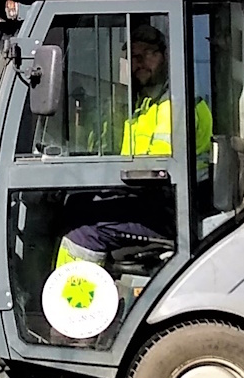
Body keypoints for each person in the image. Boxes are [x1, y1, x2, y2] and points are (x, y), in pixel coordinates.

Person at [55, 20, 211, 271]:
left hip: (175, 210)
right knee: (75, 205)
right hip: (152, 201)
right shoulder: (142, 107)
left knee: (85, 231)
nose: (139, 62)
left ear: (166, 57)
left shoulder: (179, 107)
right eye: (133, 56)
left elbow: (158, 172)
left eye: (147, 55)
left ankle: (74, 303)